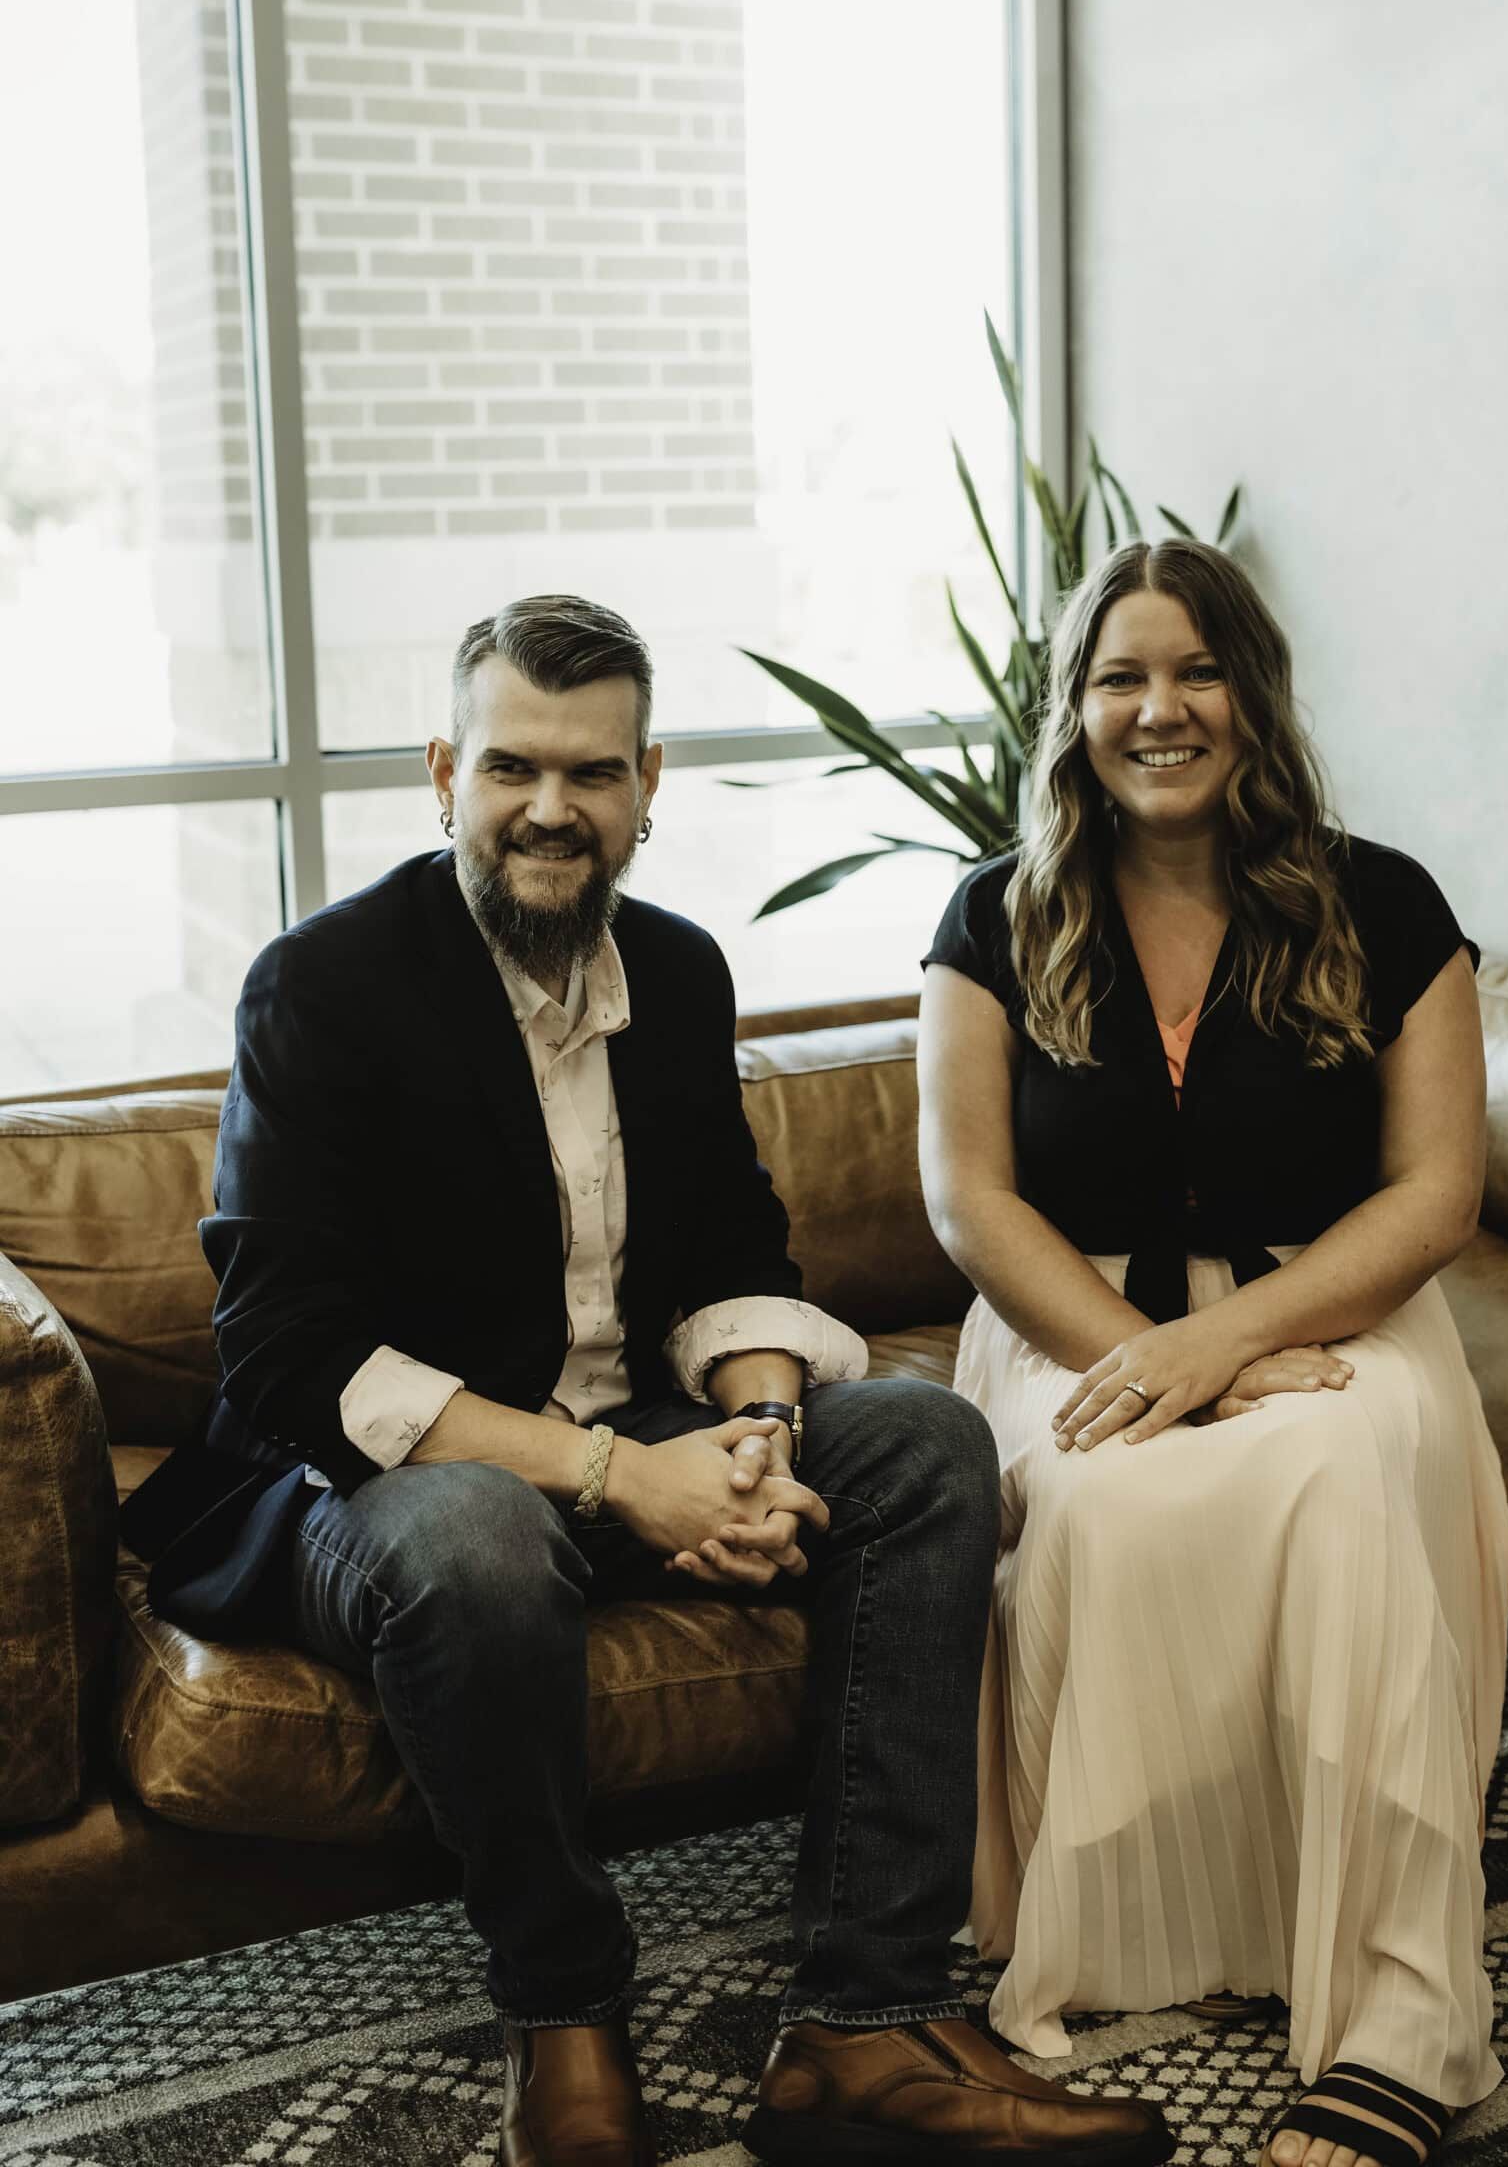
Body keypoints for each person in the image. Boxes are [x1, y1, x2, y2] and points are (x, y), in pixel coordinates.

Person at [120, 594, 1174, 2167]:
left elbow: (737, 1244)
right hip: (376, 1488)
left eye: (593, 773)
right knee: (475, 1535)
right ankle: (563, 2007)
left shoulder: (675, 974)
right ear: (443, 774)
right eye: (513, 769)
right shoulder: (321, 987)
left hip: (642, 1428)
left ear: (649, 781)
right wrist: (630, 1483)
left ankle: (863, 2021)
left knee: (928, 1440)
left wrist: (750, 1436)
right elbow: (289, 1360)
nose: (554, 809)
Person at [916, 542, 1508, 2167]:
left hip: (1334, 1309)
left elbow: (1438, 1192)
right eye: (1121, 676)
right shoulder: (992, 916)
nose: (1160, 709)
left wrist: (1235, 1344)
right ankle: (1151, 1920)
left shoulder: (1386, 901)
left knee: (1338, 1467)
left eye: (1197, 670)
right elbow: (969, 1200)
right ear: (1075, 710)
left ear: (1254, 694)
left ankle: (1398, 2020)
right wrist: (1156, 1358)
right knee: (1105, 1508)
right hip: (1069, 1316)